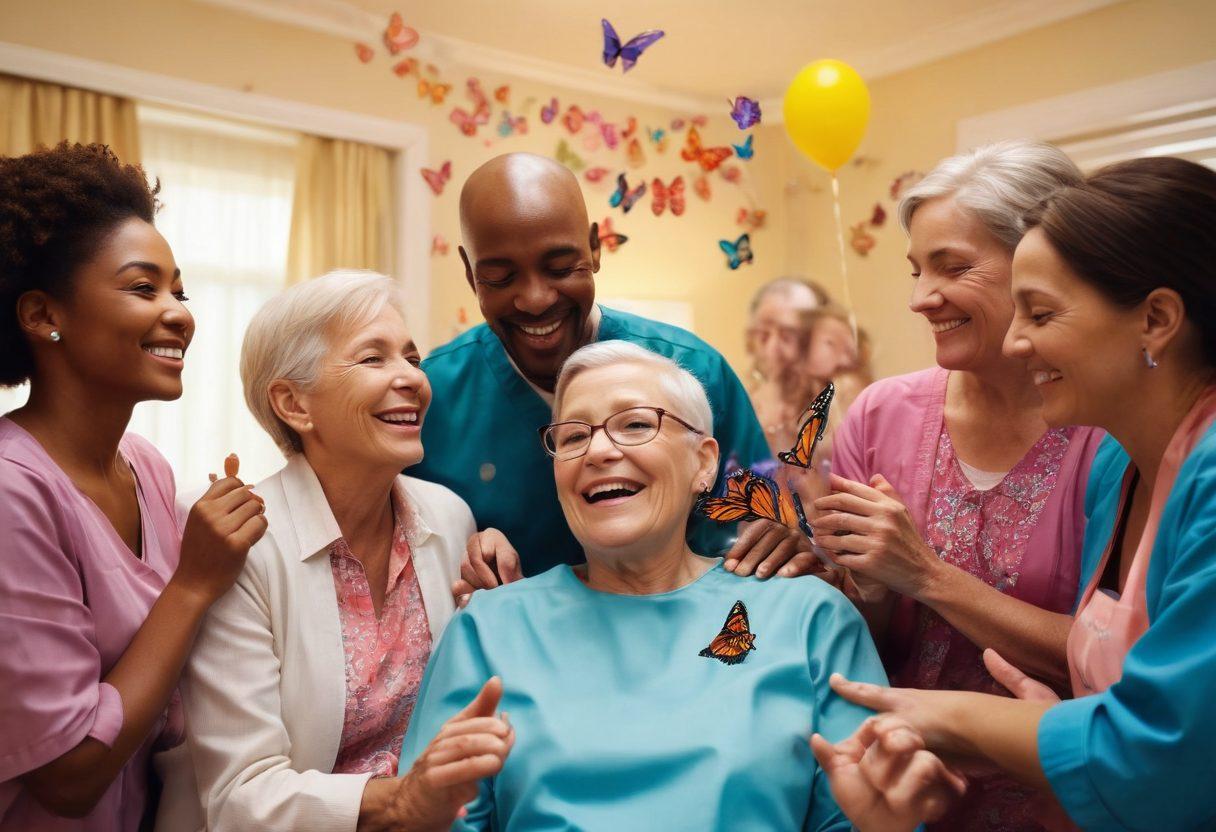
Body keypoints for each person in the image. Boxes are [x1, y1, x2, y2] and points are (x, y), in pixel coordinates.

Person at [398, 341, 962, 831]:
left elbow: (870, 813)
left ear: (704, 463)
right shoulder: (489, 629)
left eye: (635, 424)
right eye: (573, 436)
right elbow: (430, 818)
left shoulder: (810, 619)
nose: (598, 451)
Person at [827, 156, 1216, 832]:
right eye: (917, 271)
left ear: (1156, 319)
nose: (1016, 341)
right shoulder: (1127, 467)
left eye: (1039, 311)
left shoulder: (1145, 455)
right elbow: (1119, 680)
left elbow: (1165, 748)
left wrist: (964, 719)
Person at [810, 141, 1104, 831]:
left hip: (1064, 804)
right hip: (891, 800)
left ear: (1042, 264)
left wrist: (924, 574)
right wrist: (871, 588)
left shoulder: (1109, 430)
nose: (920, 299)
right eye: (917, 270)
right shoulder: (879, 415)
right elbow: (849, 646)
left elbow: (1121, 661)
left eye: (954, 266)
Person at [160, 272, 511, 831]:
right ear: (294, 404)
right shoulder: (244, 545)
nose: (413, 378)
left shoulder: (449, 517)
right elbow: (241, 797)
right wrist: (404, 800)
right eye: (373, 358)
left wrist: (499, 606)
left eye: (411, 358)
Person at [0, 142, 266, 830]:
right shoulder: (11, 493)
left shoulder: (148, 467)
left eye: (179, 290)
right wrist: (194, 582)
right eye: (143, 289)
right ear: (42, 315)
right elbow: (67, 777)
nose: (179, 313)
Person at [412, 153, 812, 586]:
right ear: (470, 274)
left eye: (560, 268)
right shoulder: (430, 398)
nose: (535, 299)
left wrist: (782, 537)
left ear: (595, 247)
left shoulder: (694, 372)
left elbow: (765, 530)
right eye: (500, 278)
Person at [745, 277, 831, 454]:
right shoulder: (743, 408)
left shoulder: (843, 410)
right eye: (763, 335)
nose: (772, 350)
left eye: (788, 336)